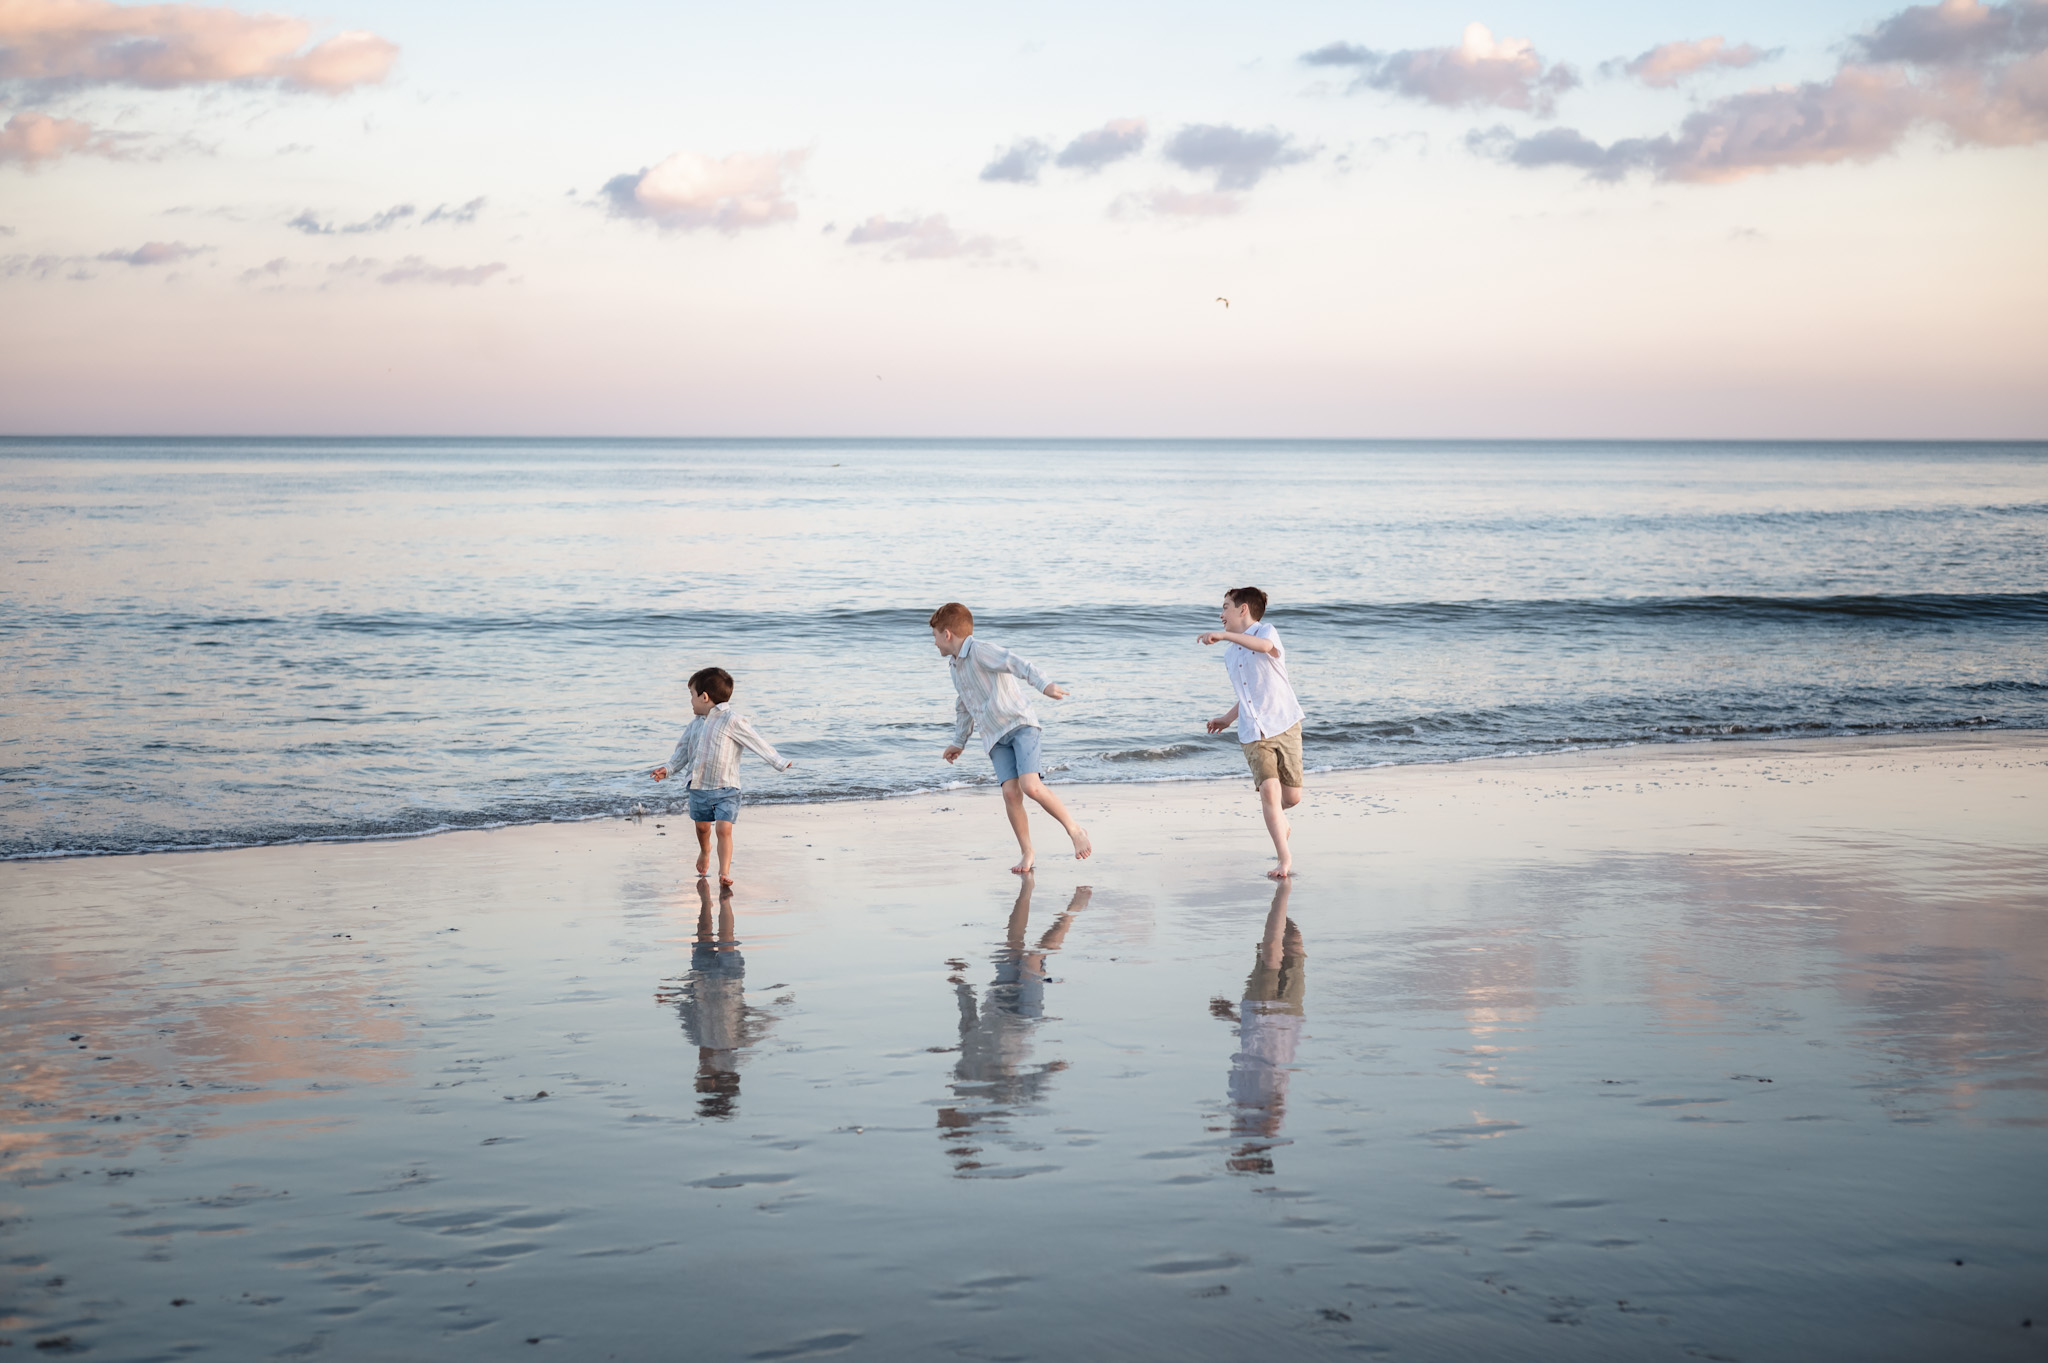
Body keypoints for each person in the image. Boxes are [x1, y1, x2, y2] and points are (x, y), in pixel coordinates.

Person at [930, 602, 1092, 874]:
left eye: (934, 636)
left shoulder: (980, 650)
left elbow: (1016, 663)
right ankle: (1027, 851)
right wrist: (960, 741)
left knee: (1030, 786)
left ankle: (1074, 830)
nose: (933, 643)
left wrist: (1044, 685)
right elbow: (964, 704)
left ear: (947, 634)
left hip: (1019, 725)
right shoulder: (954, 666)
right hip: (995, 737)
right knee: (1010, 793)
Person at [649, 666, 793, 888]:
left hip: (727, 788)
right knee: (703, 828)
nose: (690, 701)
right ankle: (705, 850)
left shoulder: (732, 720)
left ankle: (724, 872)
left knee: (723, 829)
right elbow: (682, 753)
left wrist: (778, 761)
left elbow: (756, 742)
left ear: (704, 697)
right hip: (698, 787)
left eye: (692, 696)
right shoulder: (694, 725)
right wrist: (667, 769)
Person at [1199, 586, 1306, 879]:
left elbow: (1260, 648)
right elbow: (1246, 694)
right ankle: (1284, 859)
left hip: (1284, 723)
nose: (1221, 615)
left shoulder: (1267, 633)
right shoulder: (1230, 656)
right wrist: (1227, 718)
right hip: (1253, 732)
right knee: (1270, 792)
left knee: (1292, 797)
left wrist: (1223, 636)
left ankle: (1279, 816)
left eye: (1225, 607)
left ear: (1243, 609)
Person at [1209, 879, 1306, 1175]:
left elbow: (1252, 1050)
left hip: (1260, 1012)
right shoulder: (1264, 1122)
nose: (1233, 1153)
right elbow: (1274, 1107)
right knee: (1294, 944)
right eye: (1241, 1159)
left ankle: (1282, 890)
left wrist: (1231, 1018)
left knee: (1274, 947)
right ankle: (1281, 891)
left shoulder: (1240, 1107)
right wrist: (1267, 1129)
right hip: (1287, 1016)